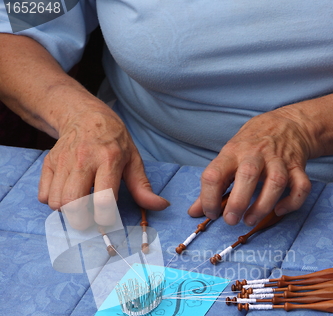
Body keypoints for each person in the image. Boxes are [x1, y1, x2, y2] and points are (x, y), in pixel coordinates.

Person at [0, 0, 332, 228]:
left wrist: (305, 126)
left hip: (318, 188)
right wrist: (78, 115)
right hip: (142, 173)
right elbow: (14, 31)